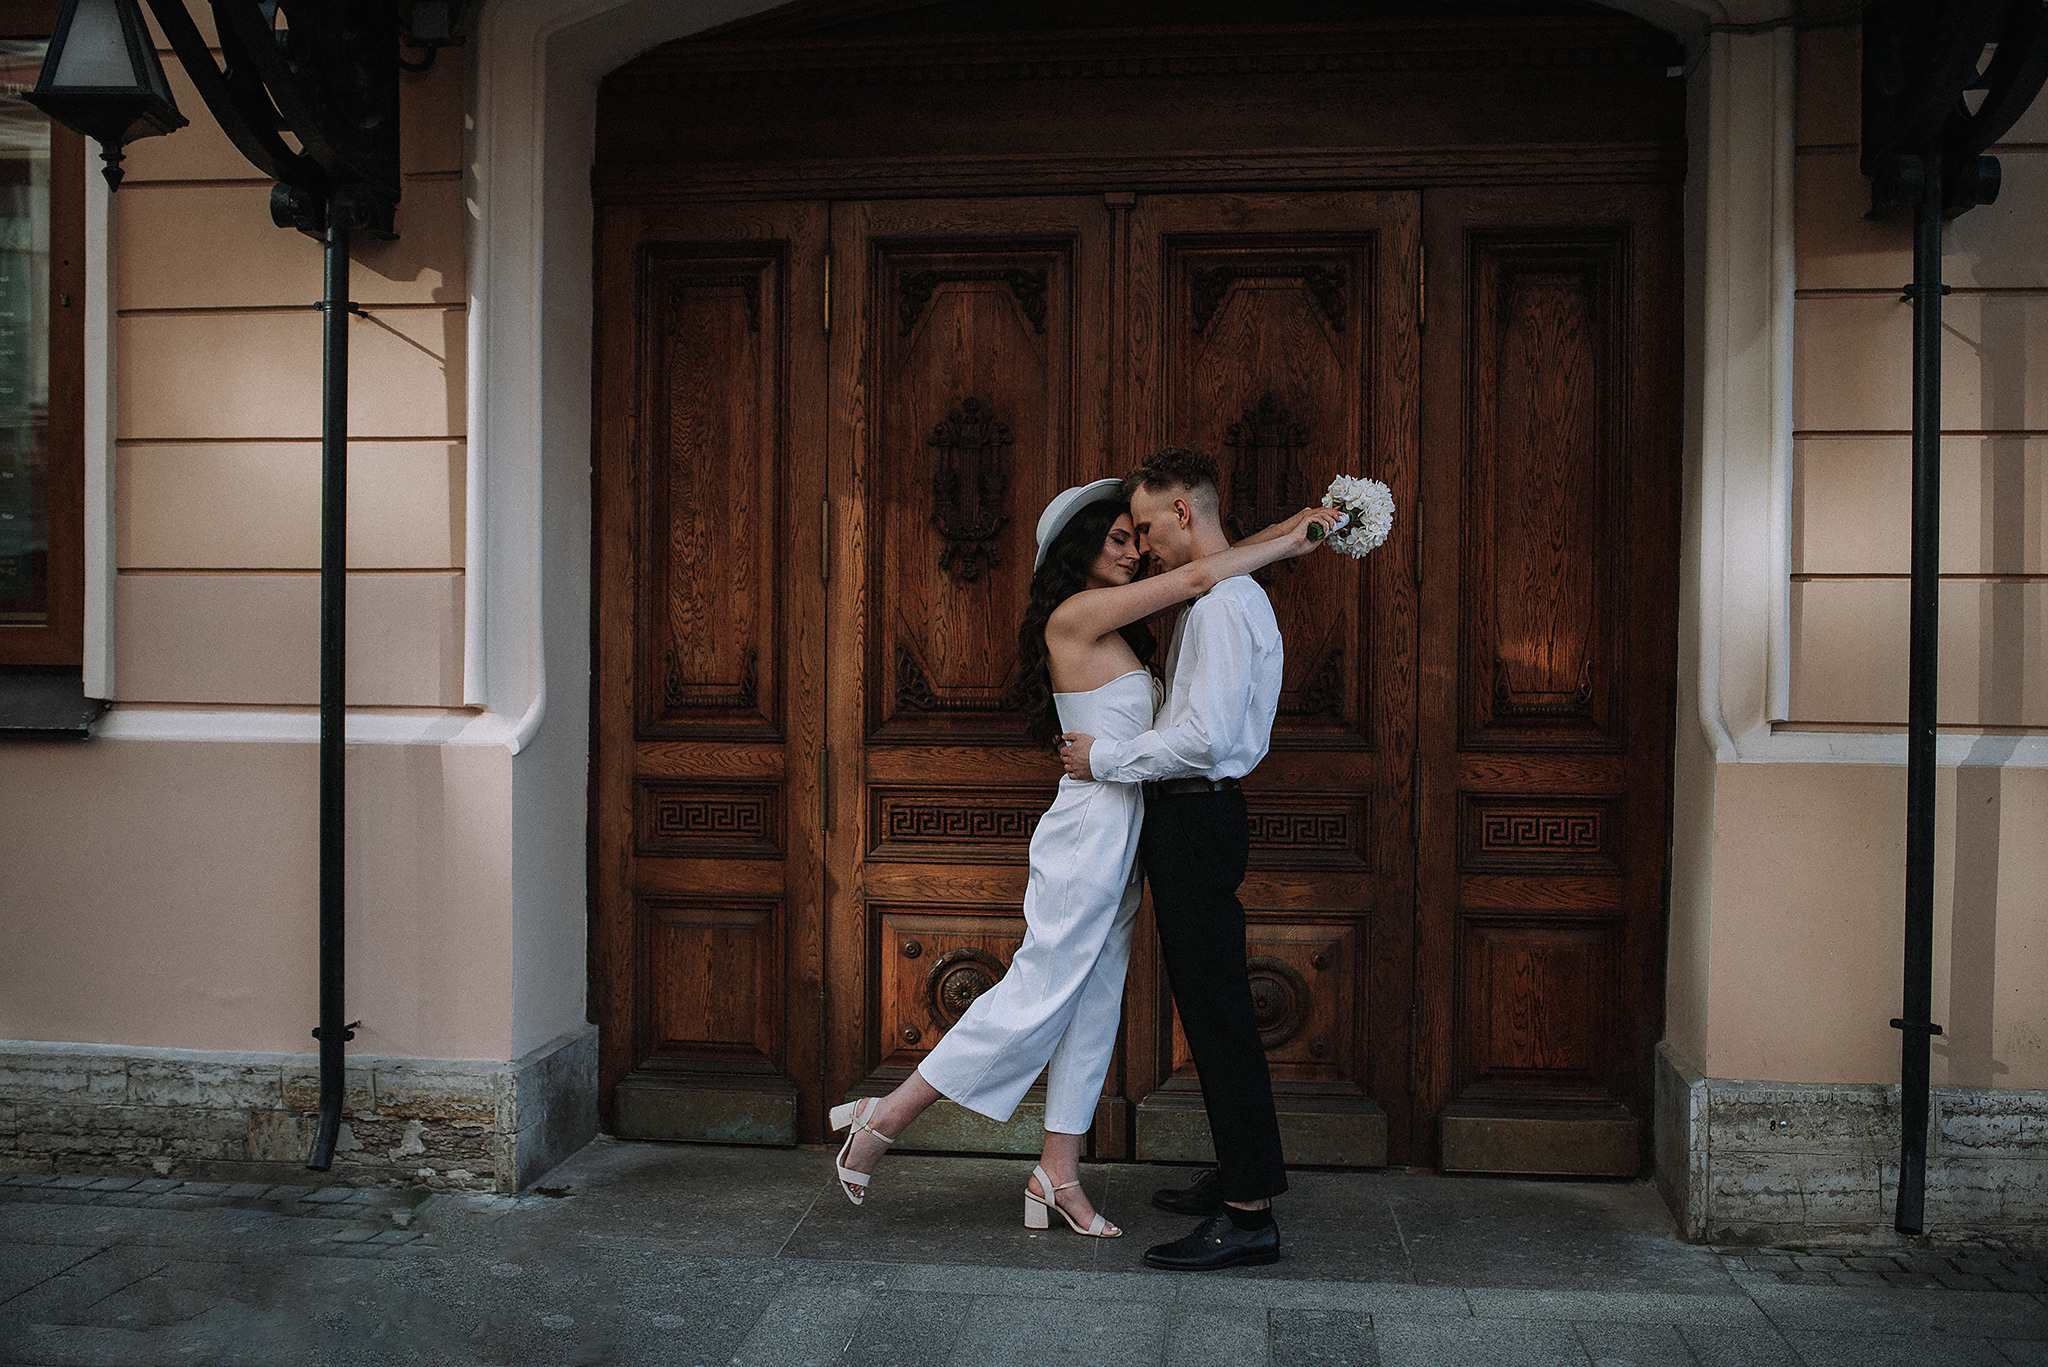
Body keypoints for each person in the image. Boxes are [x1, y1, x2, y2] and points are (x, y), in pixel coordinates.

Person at [830, 478, 1338, 1240]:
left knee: (1094, 1001)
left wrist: (1287, 525)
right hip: (1088, 833)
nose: (1135, 551)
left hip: (1128, 833)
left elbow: (1207, 560)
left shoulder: (1123, 632)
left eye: (1138, 537)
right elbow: (1201, 573)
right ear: (1077, 549)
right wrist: (1296, 535)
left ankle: (1056, 1172)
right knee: (1038, 988)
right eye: (1119, 539)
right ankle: (886, 1114)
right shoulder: (1075, 614)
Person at [1056, 446, 1308, 1271]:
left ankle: (1249, 1213)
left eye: (1149, 526)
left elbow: (1200, 742)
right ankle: (1242, 1173)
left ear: (1184, 513)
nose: (1145, 546)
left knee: (1219, 1013)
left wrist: (1104, 761)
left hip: (1198, 818)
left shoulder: (1227, 605)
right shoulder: (1220, 600)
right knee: (1210, 1009)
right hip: (1192, 820)